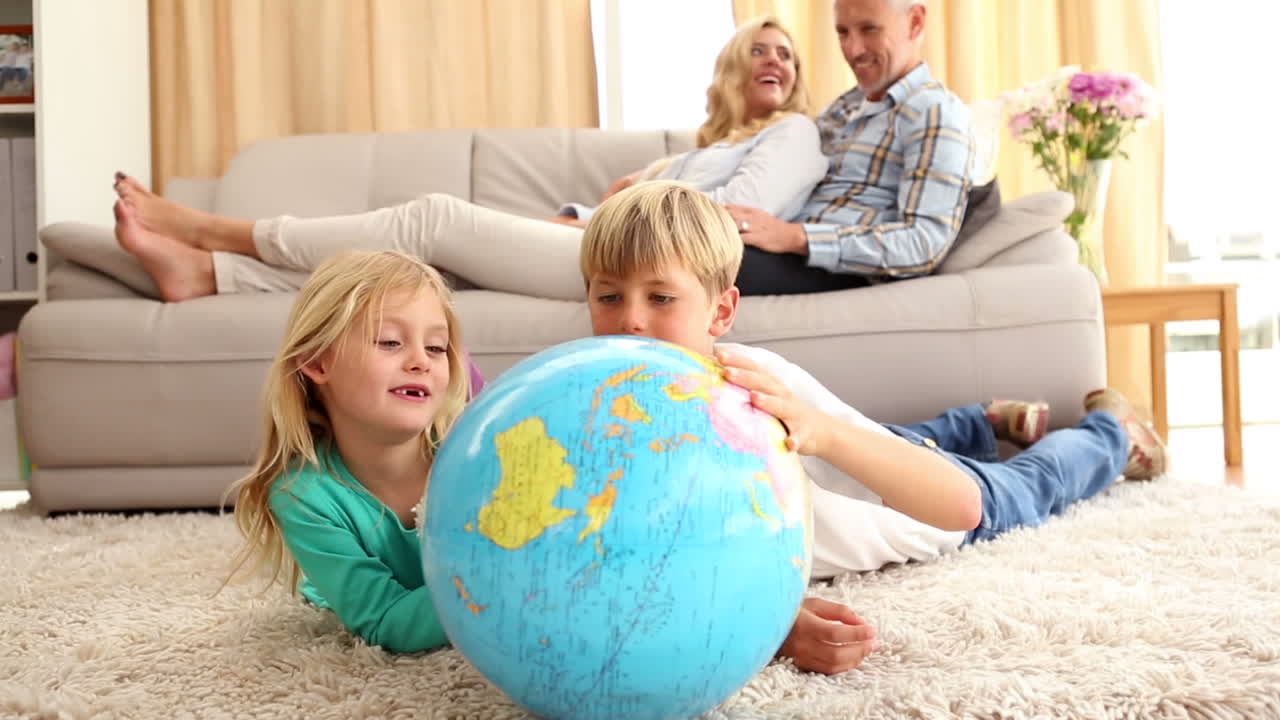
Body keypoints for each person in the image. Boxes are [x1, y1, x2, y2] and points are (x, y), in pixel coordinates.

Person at [575, 180, 1168, 675]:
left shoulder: (758, 392)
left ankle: (1112, 434)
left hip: (915, 500)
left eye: (660, 297)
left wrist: (822, 434)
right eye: (608, 297)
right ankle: (979, 420)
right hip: (877, 451)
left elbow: (961, 508)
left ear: (721, 312)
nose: (630, 322)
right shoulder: (593, 407)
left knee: (1025, 487)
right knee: (900, 434)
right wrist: (774, 617)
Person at [110, 16, 830, 302]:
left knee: (433, 219)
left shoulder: (795, 135)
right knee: (421, 270)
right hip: (597, 235)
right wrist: (615, 197)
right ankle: (210, 275)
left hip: (633, 261)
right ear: (731, 69)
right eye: (759, 49)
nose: (775, 61)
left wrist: (608, 215)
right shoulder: (698, 152)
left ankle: (218, 233)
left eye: (787, 54)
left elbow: (736, 219)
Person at [222, 249, 472, 653]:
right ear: (318, 361)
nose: (420, 362)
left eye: (437, 348)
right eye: (390, 342)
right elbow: (386, 618)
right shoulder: (302, 496)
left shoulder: (473, 455)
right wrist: (488, 586)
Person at [724, 0, 978, 291]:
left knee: (687, 263)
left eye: (869, 29)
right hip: (778, 243)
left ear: (916, 22)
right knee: (680, 243)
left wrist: (795, 237)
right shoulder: (845, 105)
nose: (853, 50)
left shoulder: (935, 111)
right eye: (843, 32)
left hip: (829, 264)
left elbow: (923, 243)